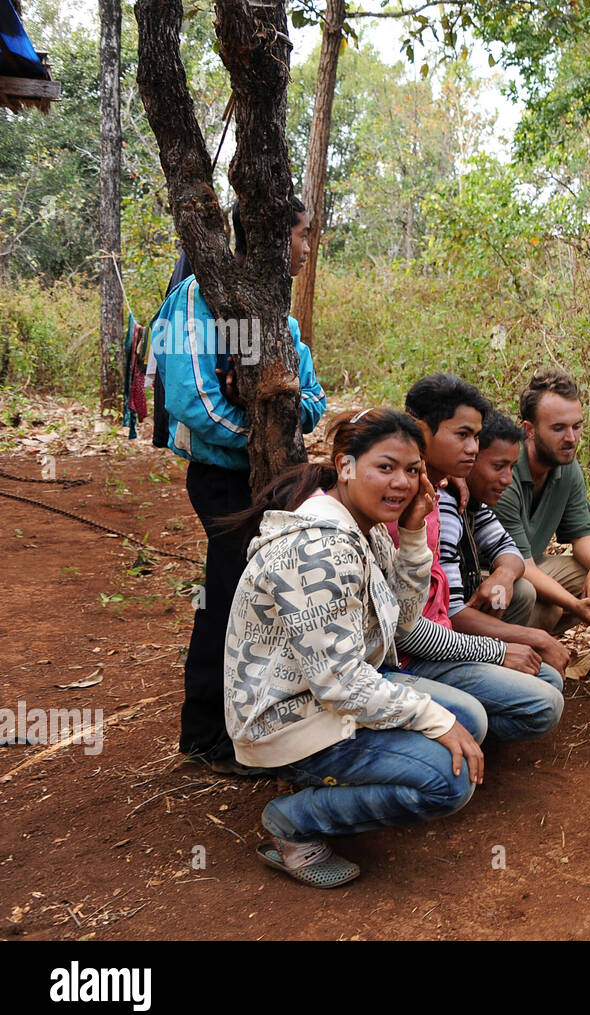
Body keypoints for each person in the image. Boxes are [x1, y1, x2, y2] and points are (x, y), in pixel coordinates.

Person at [224, 408, 484, 888]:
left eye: (411, 470)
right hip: (291, 720)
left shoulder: (363, 531)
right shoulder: (321, 546)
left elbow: (401, 625)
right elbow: (339, 684)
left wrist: (411, 536)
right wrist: (433, 718)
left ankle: (334, 785)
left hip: (330, 697)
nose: (402, 483)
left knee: (471, 722)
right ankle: (293, 822)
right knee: (449, 782)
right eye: (384, 467)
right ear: (344, 466)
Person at [153, 196, 327, 774]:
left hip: (275, 482)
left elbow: (313, 399)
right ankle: (207, 735)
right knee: (228, 598)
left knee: (271, 601)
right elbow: (193, 400)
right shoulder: (199, 300)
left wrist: (280, 413)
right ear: (275, 238)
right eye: (302, 236)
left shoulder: (282, 317)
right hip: (225, 482)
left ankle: (263, 722)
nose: (307, 248)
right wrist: (262, 431)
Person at [397, 375, 565, 744]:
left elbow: (512, 554)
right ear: (422, 431)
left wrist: (503, 576)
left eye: (475, 436)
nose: (472, 447)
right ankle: (449, 735)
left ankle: (460, 721)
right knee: (536, 701)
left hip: (438, 638)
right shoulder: (417, 501)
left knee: (544, 679)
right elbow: (412, 630)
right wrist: (505, 648)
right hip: (410, 656)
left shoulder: (448, 491)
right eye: (463, 436)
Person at [438, 409, 573, 676]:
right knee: (544, 693)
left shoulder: (474, 504)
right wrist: (535, 638)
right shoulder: (445, 508)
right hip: (439, 639)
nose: (507, 479)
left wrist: (503, 575)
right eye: (498, 467)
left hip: (459, 623)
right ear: (470, 460)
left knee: (518, 589)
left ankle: (500, 665)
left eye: (512, 467)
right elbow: (452, 613)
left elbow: (509, 550)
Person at [494, 368, 590, 635]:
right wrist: (574, 605)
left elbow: (582, 531)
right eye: (558, 428)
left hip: (533, 567)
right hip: (498, 578)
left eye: (577, 426)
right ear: (529, 430)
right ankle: (514, 652)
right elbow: (520, 565)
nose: (571, 438)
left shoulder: (566, 464)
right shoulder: (505, 472)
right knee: (540, 602)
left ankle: (540, 643)